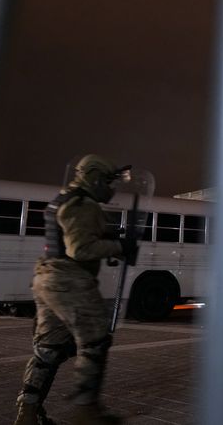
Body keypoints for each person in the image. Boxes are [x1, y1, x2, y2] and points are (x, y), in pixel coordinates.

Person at [13, 155, 136, 425]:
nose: (110, 187)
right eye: (106, 181)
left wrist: (108, 238)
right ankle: (86, 412)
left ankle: (28, 412)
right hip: (70, 280)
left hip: (48, 278)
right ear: (93, 176)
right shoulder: (84, 203)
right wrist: (120, 247)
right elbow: (80, 249)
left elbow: (70, 237)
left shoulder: (63, 197)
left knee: (48, 349)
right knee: (95, 342)